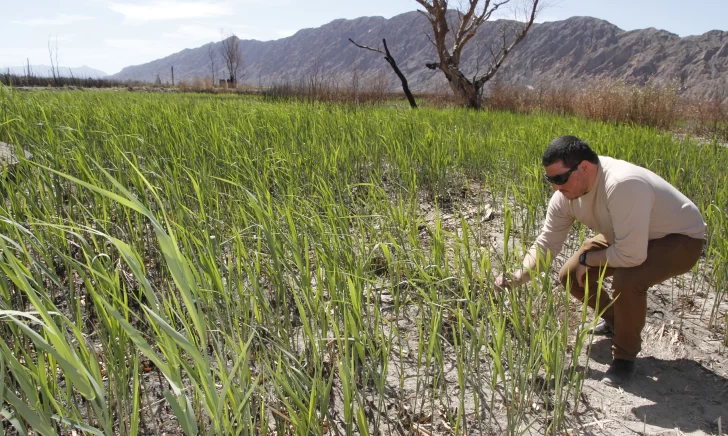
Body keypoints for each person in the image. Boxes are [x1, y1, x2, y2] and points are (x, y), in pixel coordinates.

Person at [495, 135, 706, 386]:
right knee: (571, 275)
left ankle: (625, 358)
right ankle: (619, 321)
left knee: (628, 279)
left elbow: (632, 255)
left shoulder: (622, 184)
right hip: (628, 235)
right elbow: (547, 243)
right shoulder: (565, 197)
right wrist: (520, 275)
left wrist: (590, 258)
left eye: (560, 178)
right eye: (550, 180)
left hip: (681, 238)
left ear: (584, 167)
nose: (555, 187)